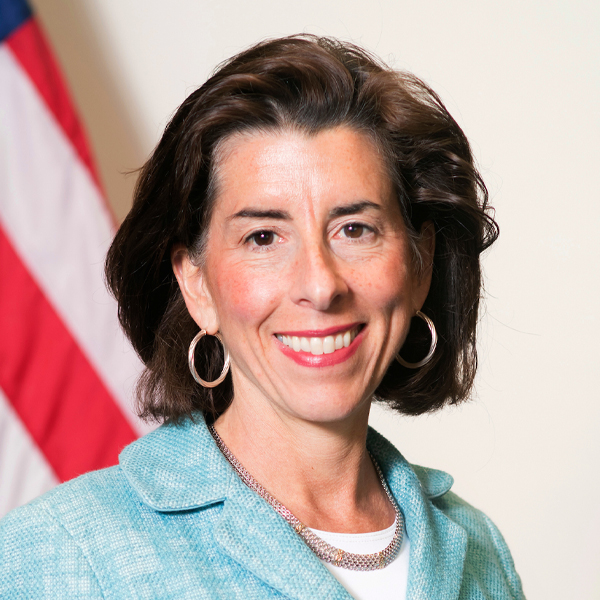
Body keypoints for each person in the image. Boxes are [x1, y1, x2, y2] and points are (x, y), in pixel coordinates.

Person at [0, 35, 525, 599]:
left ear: (418, 266)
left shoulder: (475, 545)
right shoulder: (62, 550)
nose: (321, 285)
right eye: (263, 237)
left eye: (355, 229)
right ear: (196, 283)